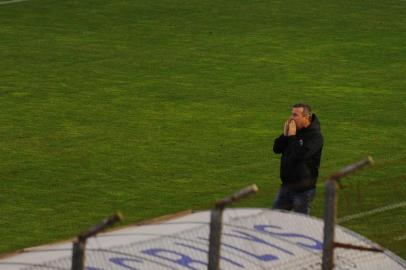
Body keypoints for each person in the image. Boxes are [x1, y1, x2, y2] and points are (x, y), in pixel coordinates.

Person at [272, 103, 323, 214]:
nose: (291, 118)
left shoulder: (315, 137)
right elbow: (276, 149)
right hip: (286, 187)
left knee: (300, 224)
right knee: (274, 218)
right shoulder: (294, 132)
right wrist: (285, 136)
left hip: (303, 191)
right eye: (291, 114)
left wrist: (291, 137)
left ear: (306, 117)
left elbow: (300, 154)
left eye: (295, 115)